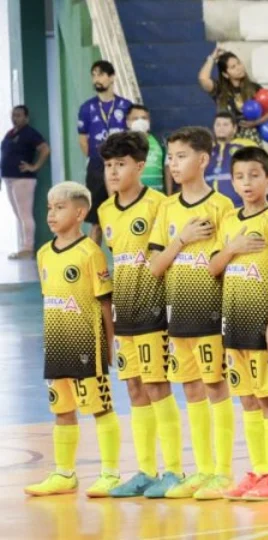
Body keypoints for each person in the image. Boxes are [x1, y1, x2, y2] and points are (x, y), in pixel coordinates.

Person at [147, 127, 237, 500]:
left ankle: (223, 473)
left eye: (181, 156)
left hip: (211, 313)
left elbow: (228, 262)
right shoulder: (167, 208)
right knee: (191, 389)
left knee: (215, 386)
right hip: (178, 314)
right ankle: (202, 470)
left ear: (202, 160)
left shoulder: (222, 207)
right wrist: (181, 239)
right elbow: (155, 266)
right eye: (170, 157)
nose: (173, 163)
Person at [96, 133, 182, 498]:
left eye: (121, 164)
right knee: (133, 388)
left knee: (157, 386)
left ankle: (174, 470)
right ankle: (146, 470)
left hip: (154, 310)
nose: (113, 172)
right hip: (124, 311)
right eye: (108, 165)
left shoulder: (159, 204)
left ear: (140, 166)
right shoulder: (105, 210)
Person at [25, 182, 121, 497]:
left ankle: (110, 473)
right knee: (62, 409)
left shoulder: (90, 253)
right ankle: (64, 473)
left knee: (99, 407)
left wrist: (110, 344)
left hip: (86, 347)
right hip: (56, 346)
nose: (51, 214)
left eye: (60, 207)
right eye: (49, 208)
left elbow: (105, 303)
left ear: (80, 213)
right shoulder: (43, 254)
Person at [207, 147, 268, 501]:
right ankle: (258, 471)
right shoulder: (229, 221)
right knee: (246, 399)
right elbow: (213, 267)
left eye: (254, 175)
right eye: (240, 176)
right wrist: (233, 248)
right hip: (233, 327)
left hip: (261, 326)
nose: (247, 183)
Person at [77, 60, 133, 245]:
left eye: (100, 74)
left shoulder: (125, 106)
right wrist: (94, 159)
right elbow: (83, 139)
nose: (96, 79)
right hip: (97, 166)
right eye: (93, 75)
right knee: (97, 220)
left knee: (123, 212)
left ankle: (124, 254)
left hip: (121, 165)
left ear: (112, 77)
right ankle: (93, 258)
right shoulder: (86, 108)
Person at [198, 46, 268, 146]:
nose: (239, 68)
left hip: (251, 139)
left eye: (239, 63)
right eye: (233, 67)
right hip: (228, 139)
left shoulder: (254, 88)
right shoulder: (220, 90)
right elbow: (203, 79)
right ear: (225, 74)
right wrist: (212, 58)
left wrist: (256, 123)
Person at [2, 104, 49, 259]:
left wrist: (34, 166)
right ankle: (24, 247)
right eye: (13, 115)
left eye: (18, 115)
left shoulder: (30, 133)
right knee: (18, 215)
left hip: (23, 179)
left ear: (26, 118)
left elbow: (45, 149)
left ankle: (28, 248)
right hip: (9, 178)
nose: (15, 118)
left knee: (25, 214)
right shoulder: (10, 134)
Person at [206, 113, 251, 207]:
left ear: (234, 128)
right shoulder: (205, 151)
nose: (221, 128)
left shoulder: (244, 147)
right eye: (218, 124)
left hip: (238, 207)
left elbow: (265, 165)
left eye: (225, 125)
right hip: (209, 208)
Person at [125, 105, 169, 194]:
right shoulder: (122, 143)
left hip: (157, 196)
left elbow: (167, 168)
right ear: (128, 122)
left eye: (144, 118)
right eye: (135, 118)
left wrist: (169, 194)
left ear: (149, 121)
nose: (140, 121)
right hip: (131, 197)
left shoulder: (160, 142)